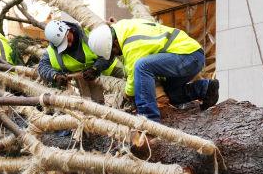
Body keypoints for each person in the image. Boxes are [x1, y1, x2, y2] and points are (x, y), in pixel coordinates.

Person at [87, 19, 219, 122]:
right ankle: (205, 89)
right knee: (171, 94)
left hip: (188, 56)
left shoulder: (131, 45)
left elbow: (133, 77)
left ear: (114, 43)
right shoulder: (123, 27)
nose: (117, 55)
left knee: (142, 66)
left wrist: (128, 93)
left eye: (114, 52)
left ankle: (149, 119)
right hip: (189, 56)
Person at [38, 19, 121, 86]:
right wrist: (55, 76)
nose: (69, 45)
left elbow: (109, 51)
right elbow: (42, 67)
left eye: (69, 40)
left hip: (111, 69)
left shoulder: (88, 32)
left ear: (69, 30)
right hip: (86, 84)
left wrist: (95, 69)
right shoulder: (52, 52)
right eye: (63, 45)